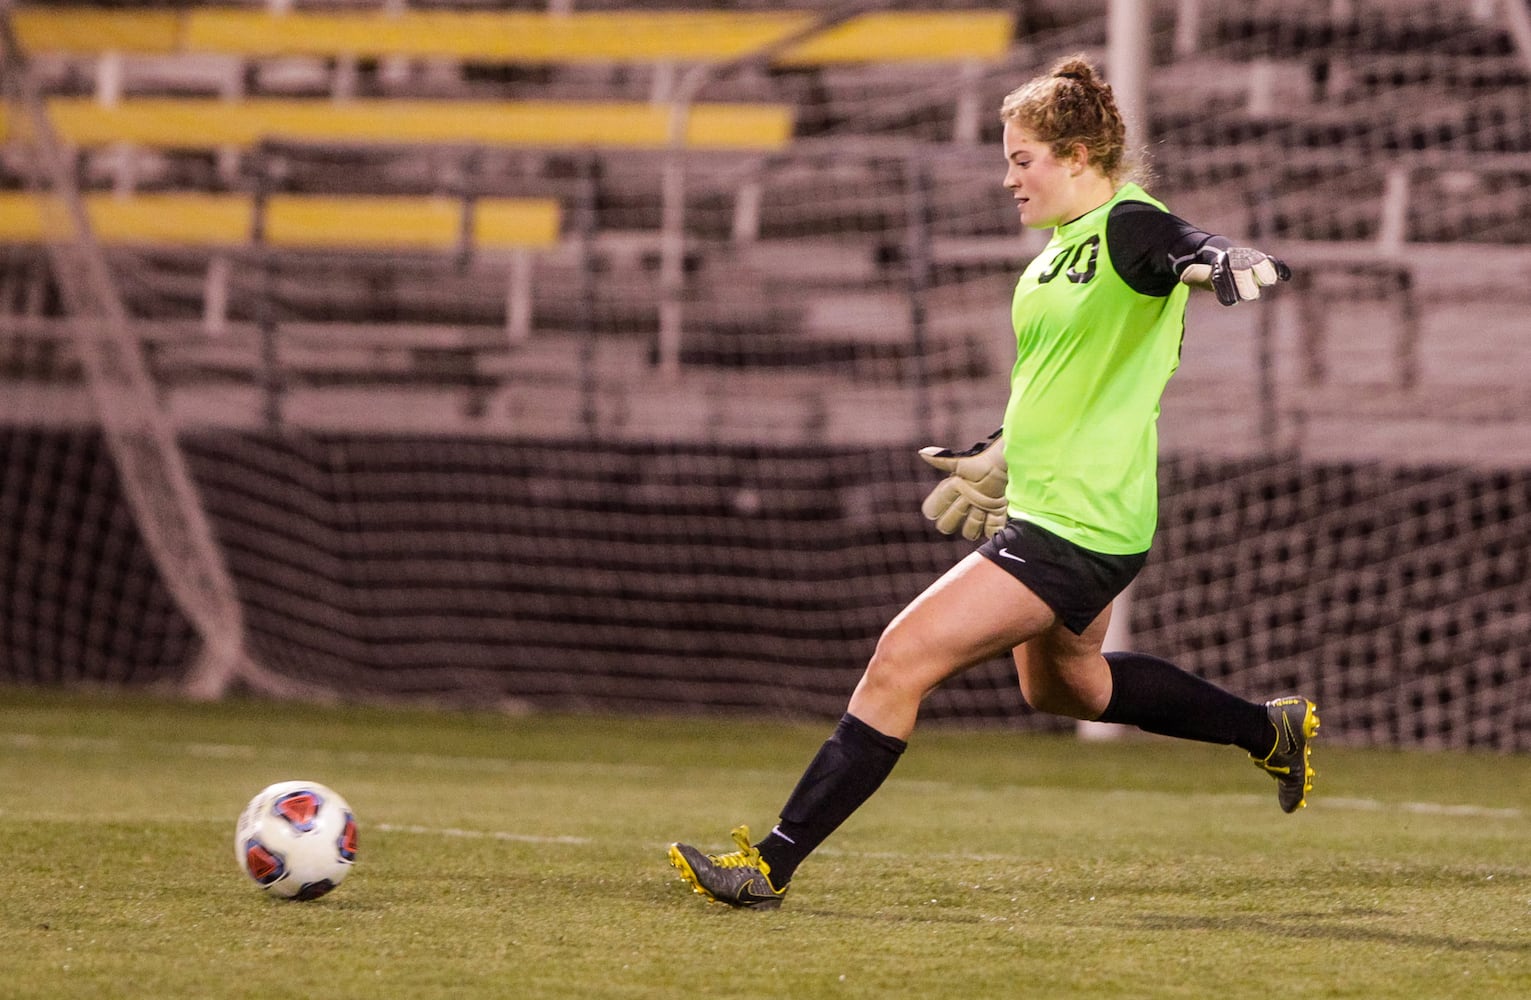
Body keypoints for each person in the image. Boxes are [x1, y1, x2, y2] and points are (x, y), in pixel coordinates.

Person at [668, 55, 1317, 911]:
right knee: (1066, 688)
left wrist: (1223, 258)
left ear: (1078, 156)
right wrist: (1000, 450)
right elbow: (1059, 376)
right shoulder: (1056, 255)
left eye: (1022, 160)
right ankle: (1265, 729)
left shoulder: (1127, 224)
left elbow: (1181, 248)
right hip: (1062, 508)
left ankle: (769, 865)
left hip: (1077, 522)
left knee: (899, 660)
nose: (1007, 178)